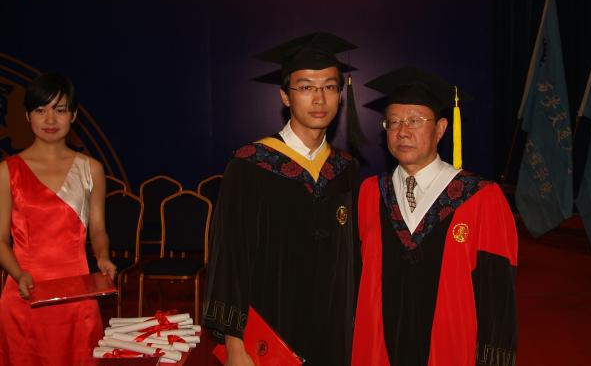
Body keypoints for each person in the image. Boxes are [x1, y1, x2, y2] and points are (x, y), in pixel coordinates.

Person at [202, 33, 362, 365]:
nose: (319, 98)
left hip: (333, 333)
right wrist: (234, 345)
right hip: (271, 331)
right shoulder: (250, 165)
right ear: (285, 96)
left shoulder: (345, 169)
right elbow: (230, 258)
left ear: (339, 95)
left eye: (329, 87)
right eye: (305, 87)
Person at [352, 67, 518, 366]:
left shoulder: (481, 197)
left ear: (441, 129)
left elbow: (498, 296)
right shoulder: (370, 193)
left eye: (415, 120)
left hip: (451, 350)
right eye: (393, 122)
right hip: (381, 350)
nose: (403, 131)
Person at [0, 73, 116, 365]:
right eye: (41, 110)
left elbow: (98, 230)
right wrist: (18, 274)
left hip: (77, 296)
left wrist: (102, 257)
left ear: (73, 115)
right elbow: (0, 239)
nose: (50, 119)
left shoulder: (91, 169)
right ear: (27, 116)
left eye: (60, 110)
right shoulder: (7, 171)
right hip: (25, 293)